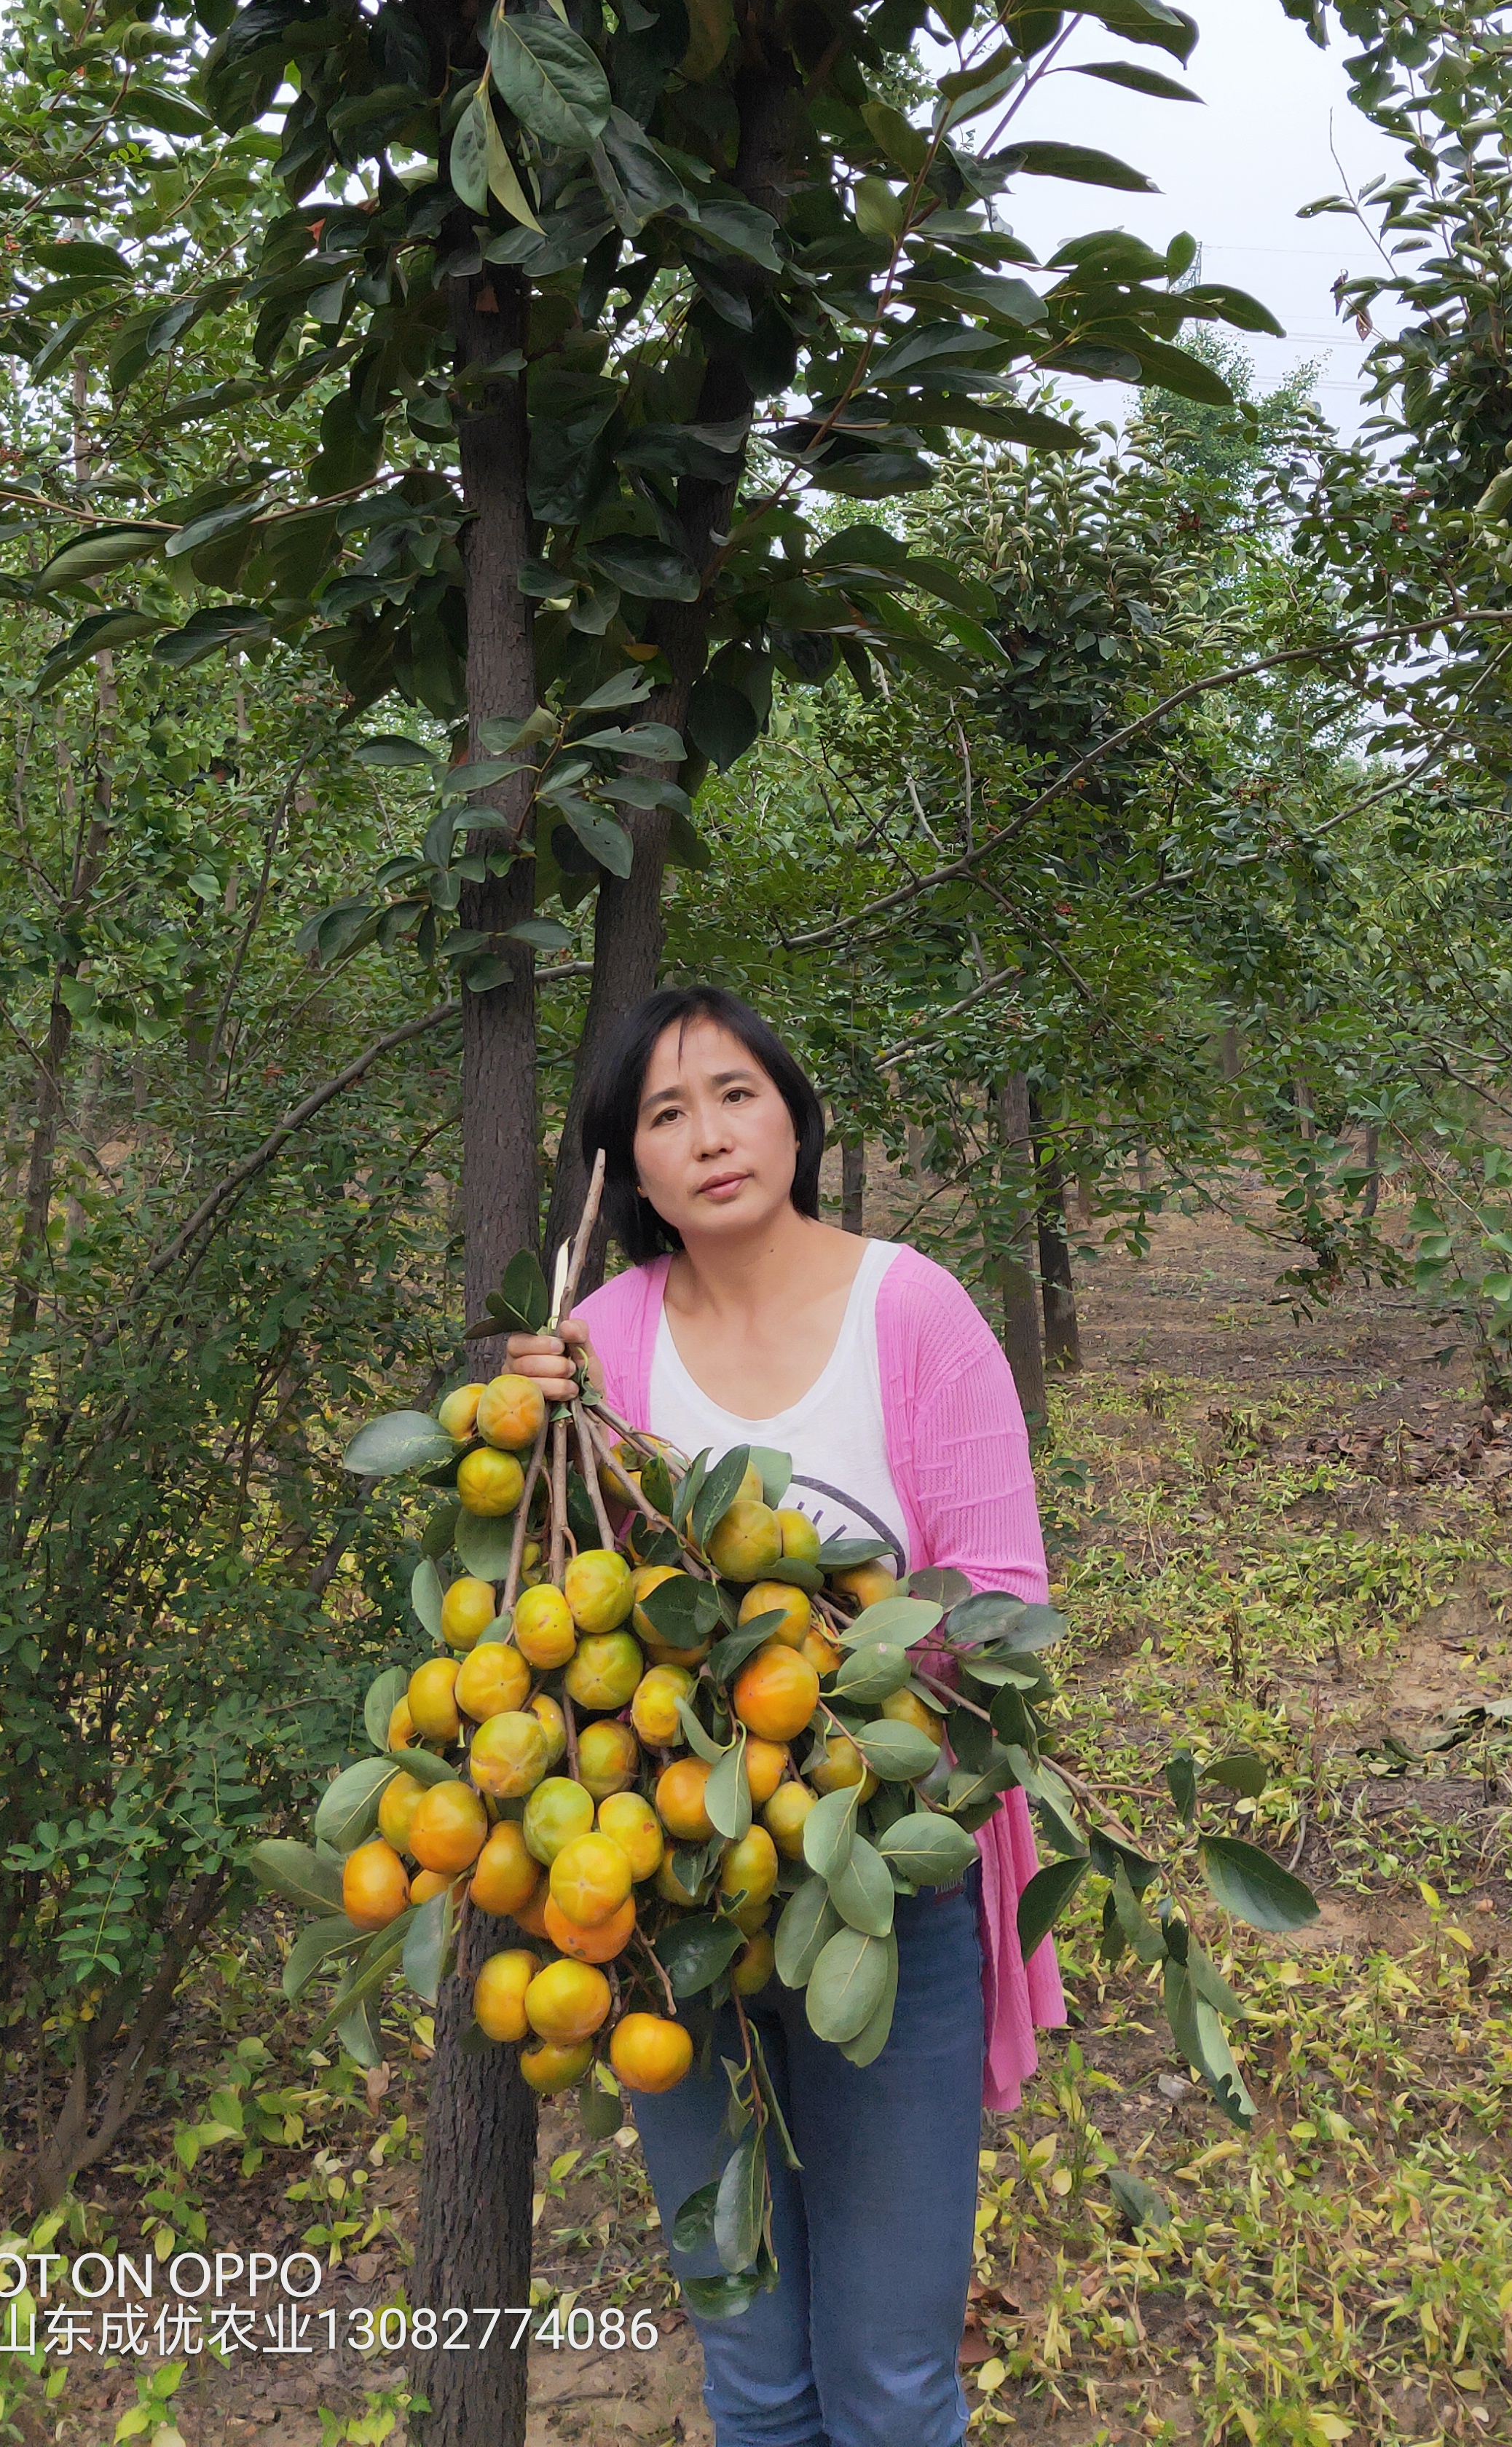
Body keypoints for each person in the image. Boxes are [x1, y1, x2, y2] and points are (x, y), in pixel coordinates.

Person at [503, 982, 1064, 2447]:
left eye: (736, 1093)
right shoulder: (601, 1344)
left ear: (795, 1113)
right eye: (665, 1114)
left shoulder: (913, 1311)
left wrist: (815, 1655)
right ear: (629, 1167)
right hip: (671, 1911)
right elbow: (559, 1635)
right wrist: (525, 1435)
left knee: (889, 2382)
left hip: (883, 1902)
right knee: (754, 2377)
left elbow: (1005, 1608)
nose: (710, 1135)